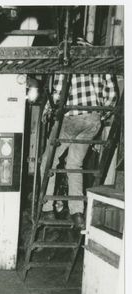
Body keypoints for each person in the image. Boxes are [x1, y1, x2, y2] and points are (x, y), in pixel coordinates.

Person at [40, 38, 118, 229]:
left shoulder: (67, 57)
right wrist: (100, 114)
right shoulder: (99, 59)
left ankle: (48, 209)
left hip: (71, 119)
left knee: (48, 161)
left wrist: (47, 110)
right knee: (75, 164)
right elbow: (112, 95)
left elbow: (58, 93)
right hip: (93, 121)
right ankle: (77, 213)